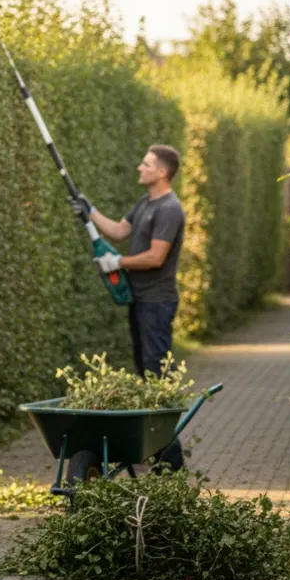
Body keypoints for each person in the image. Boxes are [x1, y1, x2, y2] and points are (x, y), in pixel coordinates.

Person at [70, 144, 187, 469]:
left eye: (146, 163)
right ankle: (162, 458)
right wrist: (89, 210)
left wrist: (117, 261)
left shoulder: (169, 209)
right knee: (145, 374)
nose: (140, 167)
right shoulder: (146, 203)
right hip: (141, 302)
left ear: (162, 172)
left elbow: (156, 257)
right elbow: (120, 231)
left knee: (156, 377)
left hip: (158, 304)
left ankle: (171, 464)